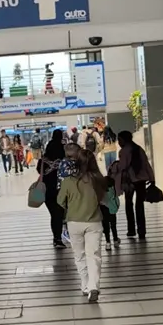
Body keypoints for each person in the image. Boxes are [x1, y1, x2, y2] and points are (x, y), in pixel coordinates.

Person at [58, 149, 106, 302]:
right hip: (94, 222)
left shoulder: (68, 181)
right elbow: (105, 199)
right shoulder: (99, 180)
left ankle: (85, 285)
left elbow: (60, 201)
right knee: (94, 255)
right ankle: (93, 286)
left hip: (74, 223)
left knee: (80, 256)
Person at [116, 131, 155, 241]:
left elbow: (123, 167)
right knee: (139, 205)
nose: (119, 142)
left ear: (124, 140)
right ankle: (142, 231)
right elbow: (146, 164)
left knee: (129, 204)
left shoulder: (123, 152)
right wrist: (152, 178)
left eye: (120, 140)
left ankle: (131, 229)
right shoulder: (139, 149)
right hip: (141, 180)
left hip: (129, 181)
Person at [38, 129, 67, 249]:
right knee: (59, 214)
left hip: (47, 190)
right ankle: (58, 238)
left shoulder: (44, 158)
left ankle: (57, 237)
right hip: (61, 189)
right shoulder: (64, 155)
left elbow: (39, 170)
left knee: (54, 214)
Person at [101, 160, 122, 250]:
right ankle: (116, 240)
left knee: (106, 228)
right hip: (112, 211)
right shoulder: (113, 192)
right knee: (113, 226)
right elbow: (117, 201)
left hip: (104, 212)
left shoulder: (101, 194)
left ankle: (107, 243)